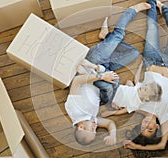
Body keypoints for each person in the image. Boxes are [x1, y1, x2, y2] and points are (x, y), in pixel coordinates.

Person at [65, 2, 152, 145]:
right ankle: (105, 36)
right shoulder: (90, 119)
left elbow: (76, 81)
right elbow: (109, 123)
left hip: (92, 63)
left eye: (91, 130)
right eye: (95, 131)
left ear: (81, 127)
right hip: (103, 72)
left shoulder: (74, 109)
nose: (95, 128)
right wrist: (113, 135)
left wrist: (102, 76)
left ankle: (132, 10)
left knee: (118, 35)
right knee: (134, 53)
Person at [102, 0, 168, 150]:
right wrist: (140, 148)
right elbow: (162, 145)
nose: (146, 125)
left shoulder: (139, 107)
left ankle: (152, 2)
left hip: (151, 61)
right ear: (157, 127)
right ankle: (162, 7)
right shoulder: (164, 115)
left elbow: (125, 108)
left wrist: (111, 113)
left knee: (152, 26)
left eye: (143, 128)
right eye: (150, 129)